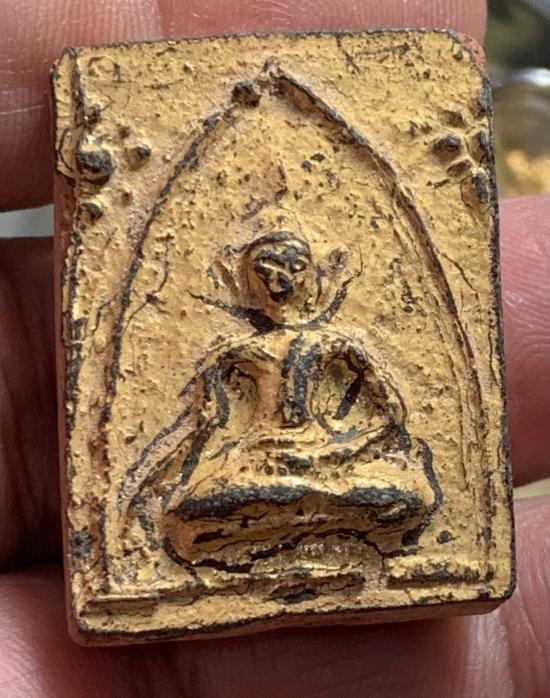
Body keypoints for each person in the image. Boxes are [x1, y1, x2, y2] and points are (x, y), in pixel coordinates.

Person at [0, 1, 548, 696]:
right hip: (257, 465)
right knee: (204, 503)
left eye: (290, 269)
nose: (280, 283)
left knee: (402, 490)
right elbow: (205, 434)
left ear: (315, 275)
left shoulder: (339, 345)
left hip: (331, 463)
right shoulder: (235, 358)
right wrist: (173, 481)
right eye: (267, 272)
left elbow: (391, 421)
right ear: (248, 282)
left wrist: (338, 449)